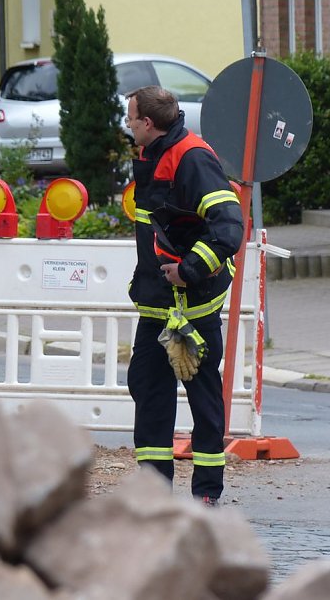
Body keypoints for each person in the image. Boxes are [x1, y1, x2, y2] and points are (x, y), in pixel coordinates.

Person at [125, 85, 244, 507]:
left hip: (194, 306)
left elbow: (229, 227)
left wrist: (190, 270)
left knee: (203, 397)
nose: (127, 125)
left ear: (148, 123)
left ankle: (206, 496)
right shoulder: (151, 155)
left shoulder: (192, 158)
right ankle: (154, 495)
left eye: (130, 118)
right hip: (158, 305)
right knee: (147, 390)